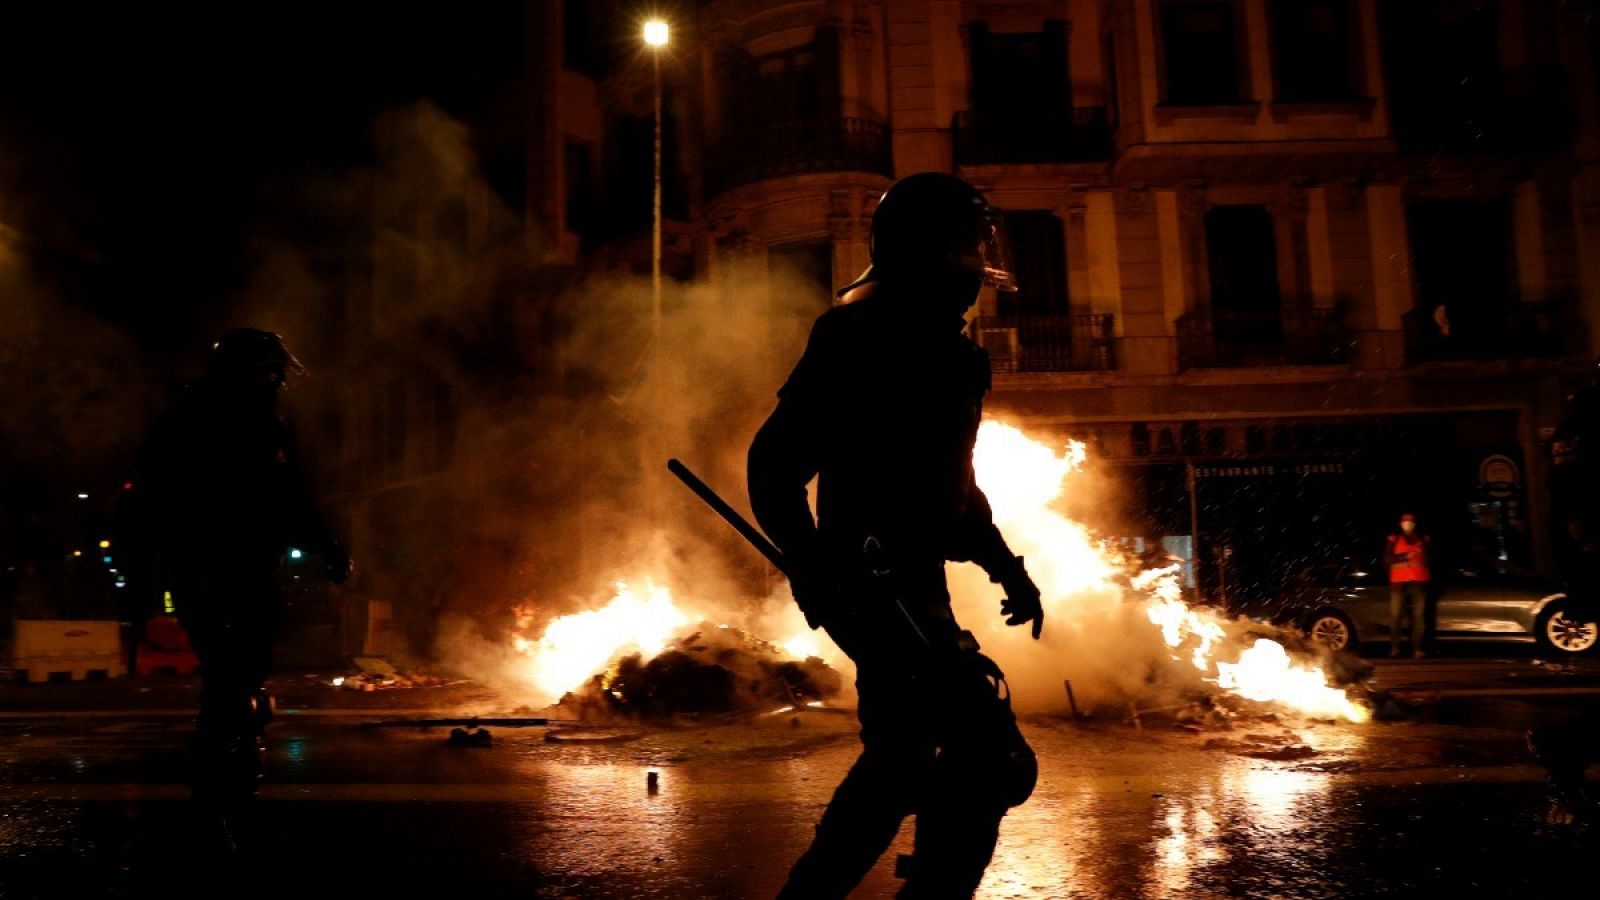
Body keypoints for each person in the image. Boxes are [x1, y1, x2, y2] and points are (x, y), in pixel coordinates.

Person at [748, 172, 1045, 899]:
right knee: (982, 755)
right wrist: (815, 567)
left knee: (905, 758)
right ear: (925, 250)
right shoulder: (858, 332)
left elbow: (954, 488)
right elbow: (775, 463)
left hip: (916, 584)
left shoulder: (949, 349)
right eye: (966, 247)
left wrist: (1007, 568)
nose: (978, 265)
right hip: (870, 581)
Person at [131, 328, 350, 807]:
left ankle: (224, 767)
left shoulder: (241, 422)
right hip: (215, 569)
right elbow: (283, 497)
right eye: (270, 374)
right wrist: (326, 546)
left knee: (236, 672)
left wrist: (327, 547)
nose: (277, 383)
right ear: (244, 375)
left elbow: (288, 497)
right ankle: (220, 777)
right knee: (232, 671)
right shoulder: (204, 424)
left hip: (226, 570)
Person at [1527, 370, 1600, 823]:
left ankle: (1567, 746)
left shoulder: (1575, 430)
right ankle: (1566, 745)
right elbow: (1578, 519)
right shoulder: (1583, 435)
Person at [1385, 513, 1431, 659]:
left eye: (1411, 522)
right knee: (1395, 616)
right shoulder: (1393, 540)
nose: (1408, 524)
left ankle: (1418, 648)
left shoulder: (1424, 539)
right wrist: (1405, 556)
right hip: (1399, 585)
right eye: (1406, 522)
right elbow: (1386, 559)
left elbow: (1431, 558)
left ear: (1414, 524)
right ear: (1401, 524)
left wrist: (1424, 556)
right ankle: (1395, 647)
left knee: (1419, 617)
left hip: (1418, 583)